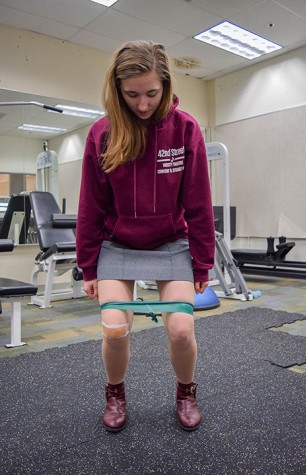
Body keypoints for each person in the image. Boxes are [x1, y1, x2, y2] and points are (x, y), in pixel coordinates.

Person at [76, 40, 215, 432]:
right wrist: (88, 266)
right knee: (116, 328)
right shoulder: (102, 133)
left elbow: (199, 201)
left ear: (166, 85)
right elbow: (92, 205)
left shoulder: (185, 128)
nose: (142, 104)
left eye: (151, 93)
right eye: (132, 94)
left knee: (181, 327)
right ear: (117, 88)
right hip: (117, 244)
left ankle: (186, 391)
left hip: (170, 242)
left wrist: (202, 260)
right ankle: (115, 393)